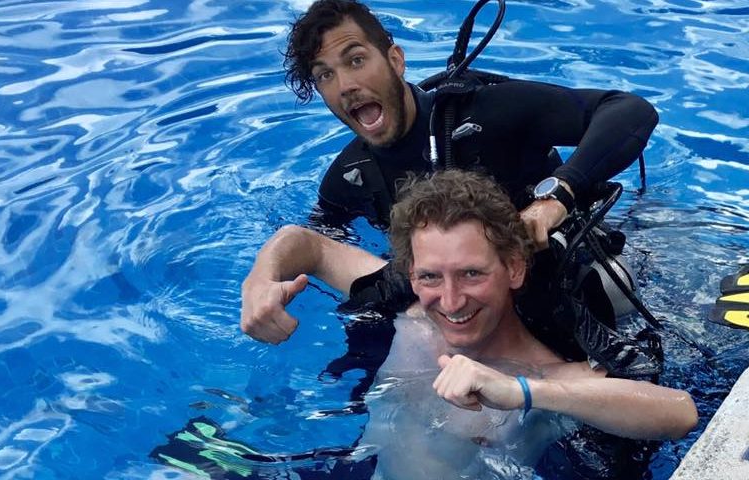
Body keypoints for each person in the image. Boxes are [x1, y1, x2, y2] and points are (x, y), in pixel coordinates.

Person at [241, 0, 660, 348]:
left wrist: (556, 198)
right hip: (464, 305)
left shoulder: (488, 113)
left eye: (355, 60)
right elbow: (316, 246)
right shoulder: (349, 178)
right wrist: (264, 278)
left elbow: (629, 111)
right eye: (325, 75)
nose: (345, 85)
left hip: (572, 280)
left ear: (395, 59)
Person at [257, 170, 696, 478]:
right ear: (410, 274)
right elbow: (305, 244)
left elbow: (678, 413)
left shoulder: (549, 375)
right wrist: (259, 281)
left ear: (514, 269)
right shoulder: (413, 316)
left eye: (472, 274)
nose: (449, 301)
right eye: (430, 276)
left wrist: (521, 393)